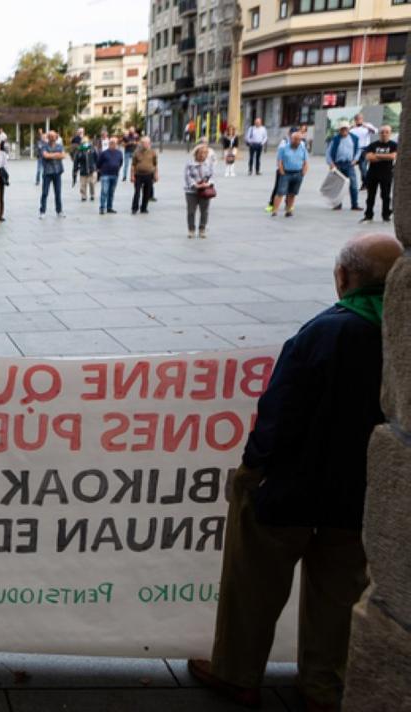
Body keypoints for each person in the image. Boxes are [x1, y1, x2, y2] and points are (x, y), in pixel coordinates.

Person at [188, 233, 402, 712]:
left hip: (289, 486)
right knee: (339, 592)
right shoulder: (399, 333)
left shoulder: (325, 331)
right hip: (360, 492)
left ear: (343, 277)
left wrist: (253, 469)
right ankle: (322, 687)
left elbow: (280, 411)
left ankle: (236, 674)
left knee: (254, 583)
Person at [361, 125, 396, 224]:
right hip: (373, 174)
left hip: (386, 174)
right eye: (382, 132)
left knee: (385, 196)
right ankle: (368, 216)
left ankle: (386, 216)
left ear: (390, 133)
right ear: (379, 133)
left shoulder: (393, 145)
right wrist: (386, 157)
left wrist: (376, 155)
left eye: (387, 132)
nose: (384, 134)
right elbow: (369, 157)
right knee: (370, 196)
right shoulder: (373, 145)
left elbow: (393, 156)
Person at [269, 132, 309, 218]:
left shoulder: (303, 149)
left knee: (292, 193)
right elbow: (279, 161)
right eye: (295, 139)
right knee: (280, 192)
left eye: (299, 140)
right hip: (286, 173)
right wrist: (282, 172)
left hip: (298, 173)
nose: (297, 141)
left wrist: (303, 172)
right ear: (291, 139)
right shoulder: (283, 148)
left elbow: (306, 162)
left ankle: (288, 210)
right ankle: (275, 211)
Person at [325, 122, 361, 212]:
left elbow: (358, 150)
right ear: (339, 130)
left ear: (348, 129)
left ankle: (355, 205)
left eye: (345, 128)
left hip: (349, 164)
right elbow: (328, 152)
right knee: (338, 186)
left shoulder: (354, 138)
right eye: (342, 129)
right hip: (338, 165)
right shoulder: (335, 139)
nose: (344, 130)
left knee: (353, 186)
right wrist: (331, 164)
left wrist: (355, 160)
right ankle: (338, 205)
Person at [184, 144, 215, 240]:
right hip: (191, 191)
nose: (203, 155)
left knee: (204, 211)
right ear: (196, 153)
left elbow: (212, 175)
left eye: (205, 153)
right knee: (191, 211)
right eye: (201, 153)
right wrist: (195, 185)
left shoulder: (209, 163)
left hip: (205, 190)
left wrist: (208, 183)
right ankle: (191, 230)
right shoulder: (189, 164)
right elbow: (187, 176)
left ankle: (202, 229)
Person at [38, 131, 66, 219]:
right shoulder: (44, 146)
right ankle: (42, 211)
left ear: (56, 137)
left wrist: (51, 155)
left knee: (58, 193)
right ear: (48, 137)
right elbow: (45, 156)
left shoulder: (60, 146)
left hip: (57, 172)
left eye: (53, 136)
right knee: (45, 193)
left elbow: (63, 156)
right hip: (47, 173)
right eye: (50, 136)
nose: (52, 138)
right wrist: (56, 154)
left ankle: (59, 211)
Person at [130, 137, 158, 215]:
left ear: (149, 144)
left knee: (147, 193)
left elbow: (155, 164)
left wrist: (156, 175)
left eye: (146, 143)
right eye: (142, 143)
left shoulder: (153, 152)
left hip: (149, 175)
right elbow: (133, 165)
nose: (144, 145)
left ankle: (144, 208)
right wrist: (132, 176)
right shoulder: (136, 152)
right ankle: (134, 208)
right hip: (138, 175)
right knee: (137, 192)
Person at [96, 138, 123, 215]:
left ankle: (109, 207)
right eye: (111, 143)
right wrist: (100, 170)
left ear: (116, 144)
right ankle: (102, 207)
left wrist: (116, 168)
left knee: (111, 192)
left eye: (114, 143)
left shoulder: (119, 153)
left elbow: (120, 162)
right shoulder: (104, 153)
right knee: (104, 191)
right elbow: (99, 163)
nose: (113, 144)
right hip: (105, 174)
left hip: (115, 174)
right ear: (109, 144)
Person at [351, 113, 377, 181]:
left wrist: (367, 127)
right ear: (355, 120)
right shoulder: (352, 128)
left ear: (362, 119)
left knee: (363, 166)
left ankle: (366, 183)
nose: (359, 120)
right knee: (350, 166)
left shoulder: (367, 125)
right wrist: (350, 127)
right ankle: (364, 182)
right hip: (355, 150)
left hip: (365, 149)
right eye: (357, 119)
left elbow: (375, 131)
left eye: (360, 118)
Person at [71, 138, 98, 203]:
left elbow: (97, 159)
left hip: (92, 169)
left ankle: (92, 195)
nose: (84, 144)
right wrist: (75, 170)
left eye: (85, 142)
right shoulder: (79, 150)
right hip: (83, 170)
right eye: (83, 142)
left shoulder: (92, 149)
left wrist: (97, 168)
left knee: (92, 183)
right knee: (83, 184)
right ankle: (83, 196)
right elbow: (76, 162)